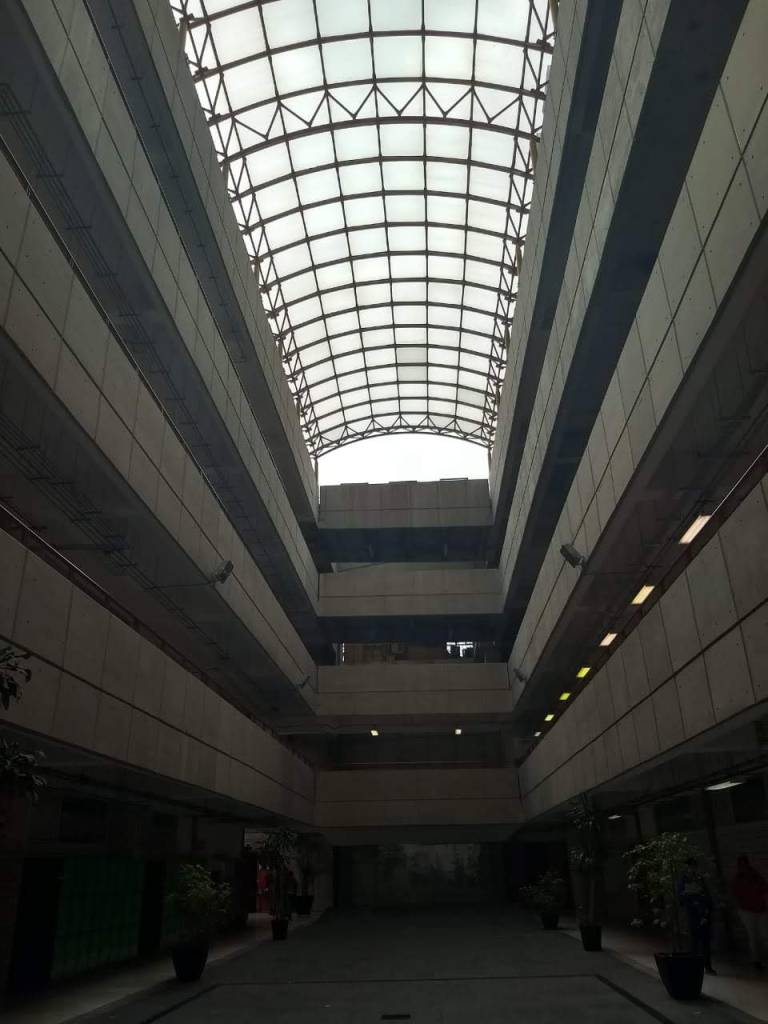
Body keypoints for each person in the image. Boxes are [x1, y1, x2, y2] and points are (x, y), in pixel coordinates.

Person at [678, 857, 715, 974]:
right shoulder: (684, 880)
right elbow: (682, 898)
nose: (692, 869)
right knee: (694, 940)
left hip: (703, 911)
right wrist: (690, 898)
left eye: (694, 866)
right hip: (693, 912)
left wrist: (708, 908)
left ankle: (707, 965)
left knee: (705, 940)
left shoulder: (700, 879)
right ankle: (694, 965)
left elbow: (707, 894)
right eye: (690, 867)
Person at [731, 854, 768, 968]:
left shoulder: (755, 875)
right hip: (747, 910)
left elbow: (764, 889)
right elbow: (736, 896)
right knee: (753, 936)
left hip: (759, 909)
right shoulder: (738, 879)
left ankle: (758, 959)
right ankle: (756, 960)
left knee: (764, 935)